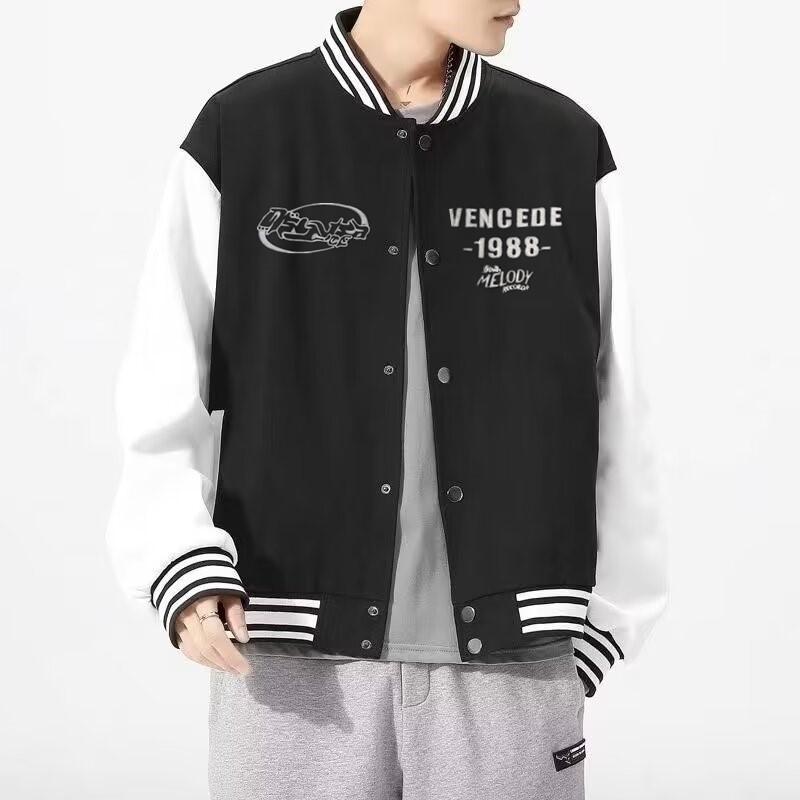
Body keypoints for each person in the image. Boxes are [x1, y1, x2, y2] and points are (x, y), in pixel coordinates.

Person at [106, 2, 668, 798]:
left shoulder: (562, 144)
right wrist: (181, 565)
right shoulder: (245, 132)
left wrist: (607, 623)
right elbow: (166, 378)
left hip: (516, 664)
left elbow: (622, 400)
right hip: (289, 662)